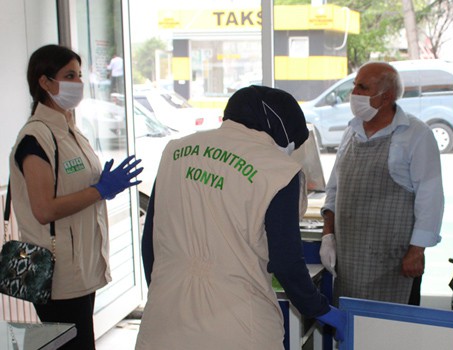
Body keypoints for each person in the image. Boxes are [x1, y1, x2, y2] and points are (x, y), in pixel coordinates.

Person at [137, 85, 346, 349]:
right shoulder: (278, 170)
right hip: (238, 327)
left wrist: (165, 292)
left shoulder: (175, 151)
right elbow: (286, 263)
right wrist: (321, 309)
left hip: (164, 322)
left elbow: (150, 242)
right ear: (283, 134)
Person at [9, 44, 143, 349]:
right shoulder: (36, 137)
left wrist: (102, 187)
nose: (79, 83)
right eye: (70, 75)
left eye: (80, 75)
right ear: (45, 82)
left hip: (79, 266)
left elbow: (75, 188)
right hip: (55, 272)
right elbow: (43, 209)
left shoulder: (70, 131)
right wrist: (98, 190)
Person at [319, 61, 444, 306]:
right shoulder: (350, 132)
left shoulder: (416, 135)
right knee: (353, 330)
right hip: (350, 260)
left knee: (391, 333)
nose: (354, 94)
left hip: (395, 261)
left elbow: (430, 197)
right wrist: (327, 235)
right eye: (354, 86)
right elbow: (335, 189)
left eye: (362, 88)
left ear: (385, 96)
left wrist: (417, 251)